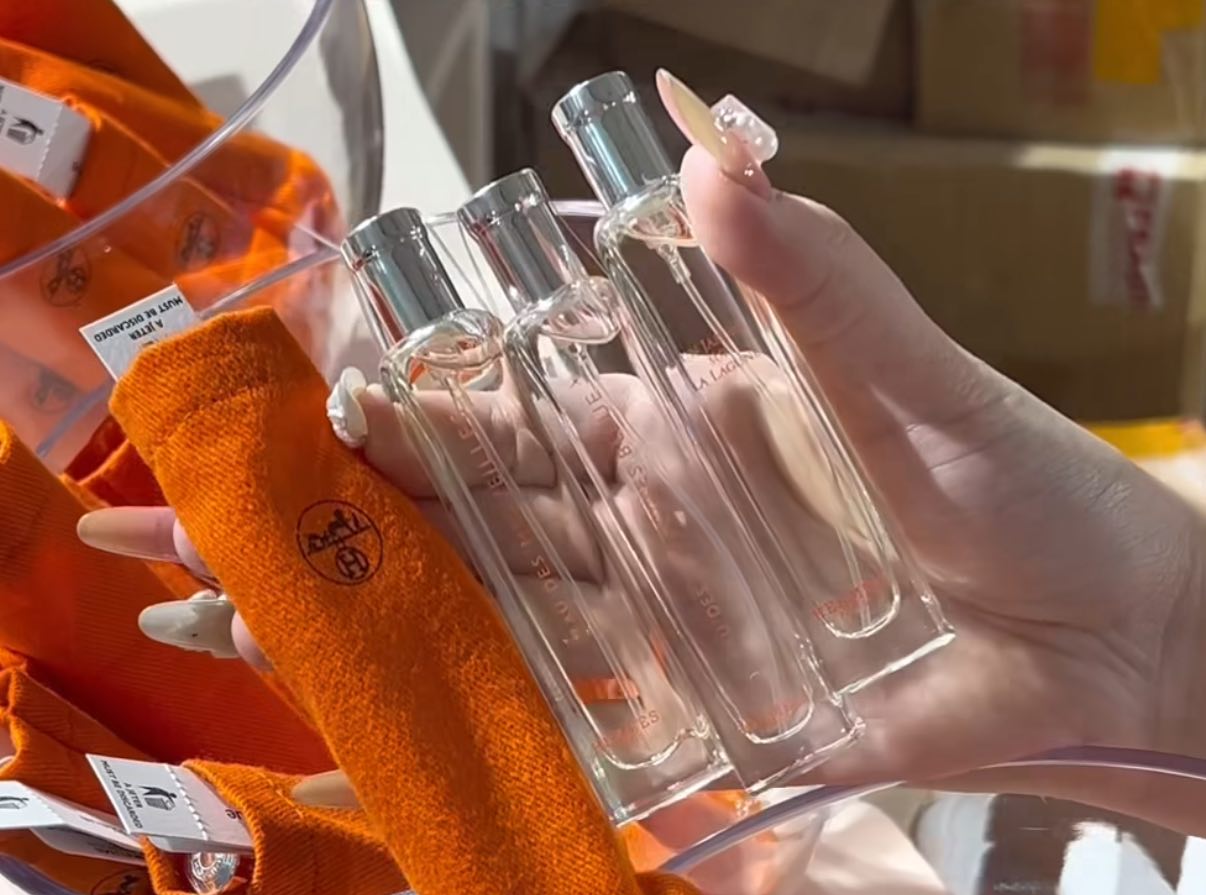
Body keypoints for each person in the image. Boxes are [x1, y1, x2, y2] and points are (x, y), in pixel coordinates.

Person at [77, 98, 1206, 836]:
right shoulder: (508, 324)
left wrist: (1160, 633)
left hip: (920, 634)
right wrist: (1158, 642)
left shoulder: (636, 240)